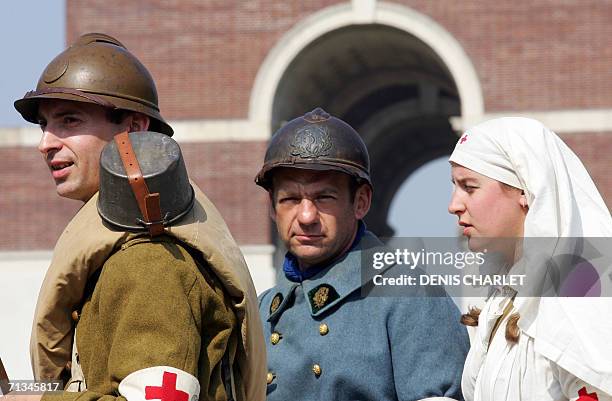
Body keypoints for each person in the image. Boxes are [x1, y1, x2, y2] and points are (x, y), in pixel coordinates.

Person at [7, 33, 266, 401]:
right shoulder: (117, 253)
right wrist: (15, 392)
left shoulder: (151, 259)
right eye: (44, 125)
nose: (45, 142)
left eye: (69, 120)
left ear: (133, 128)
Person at [254, 107, 469, 401]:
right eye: (290, 199)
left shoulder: (411, 295)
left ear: (361, 202)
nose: (306, 216)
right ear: (272, 208)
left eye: (324, 197)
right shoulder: (261, 310)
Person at [447, 117, 612, 401]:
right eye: (455, 186)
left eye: (470, 187)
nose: (454, 205)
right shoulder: (501, 303)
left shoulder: (580, 304)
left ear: (524, 190)